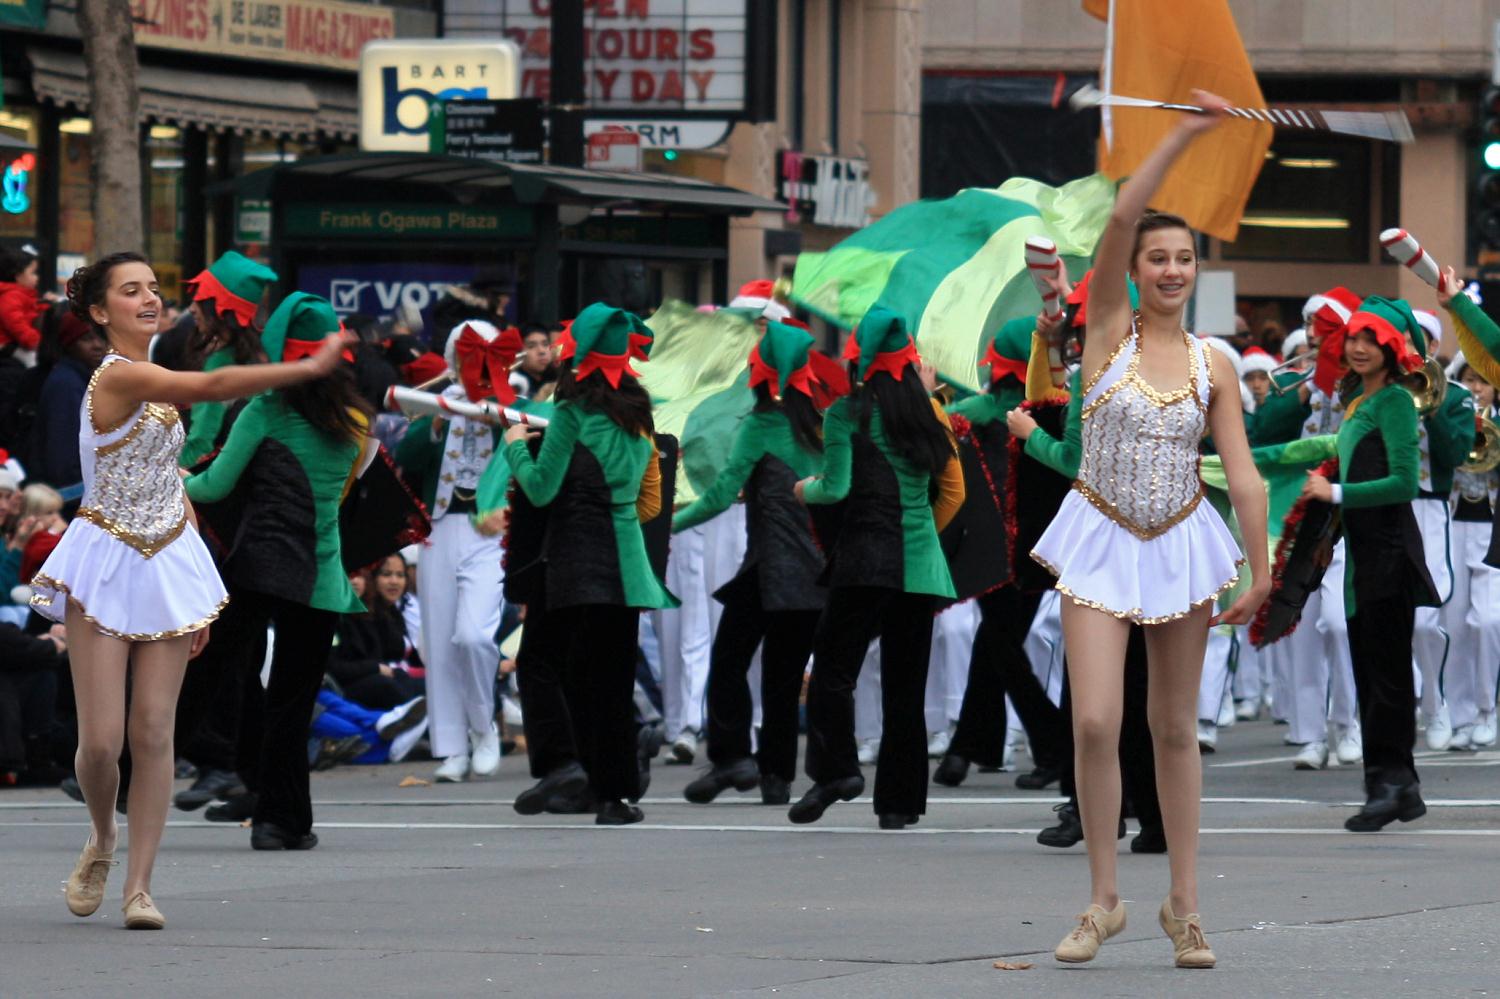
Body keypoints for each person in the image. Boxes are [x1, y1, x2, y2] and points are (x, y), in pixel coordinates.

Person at [28, 252, 347, 930]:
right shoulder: (121, 376)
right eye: (130, 290)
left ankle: (138, 885)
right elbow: (220, 382)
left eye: (153, 288)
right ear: (97, 310)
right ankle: (102, 838)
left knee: (152, 729)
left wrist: (192, 572)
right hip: (104, 558)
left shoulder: (159, 379)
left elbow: (168, 473)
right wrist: (306, 367)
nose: (149, 299)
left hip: (168, 556)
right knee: (101, 742)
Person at [1027, 94, 1269, 969]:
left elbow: (1238, 468)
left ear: (1195, 271)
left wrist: (1262, 567)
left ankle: (1186, 905)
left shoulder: (1215, 362)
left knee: (1174, 728)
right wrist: (1188, 133)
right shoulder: (1102, 337)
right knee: (1094, 720)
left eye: (1182, 258)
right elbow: (1126, 210)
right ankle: (1103, 899)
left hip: (1180, 540)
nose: (1169, 268)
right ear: (1135, 267)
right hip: (1100, 532)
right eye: (1156, 257)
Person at [181, 292, 371, 852]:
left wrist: (164, 488)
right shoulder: (357, 419)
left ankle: (129, 773)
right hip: (321, 576)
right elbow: (345, 495)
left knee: (204, 674)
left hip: (257, 568)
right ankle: (280, 821)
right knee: (292, 701)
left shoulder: (263, 411)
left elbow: (214, 486)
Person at [791, 306, 965, 831]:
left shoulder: (845, 413)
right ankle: (899, 804)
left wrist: (805, 489)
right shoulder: (929, 411)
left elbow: (836, 488)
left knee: (832, 672)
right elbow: (953, 493)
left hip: (865, 562)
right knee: (905, 688)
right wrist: (918, 535)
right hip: (919, 569)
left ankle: (837, 771)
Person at [503, 302, 676, 825]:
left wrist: (515, 446)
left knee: (557, 670)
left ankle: (568, 769)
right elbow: (651, 500)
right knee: (612, 677)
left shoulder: (569, 413)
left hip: (576, 559)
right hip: (627, 561)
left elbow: (539, 487)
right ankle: (613, 798)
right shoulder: (640, 416)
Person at [672, 320, 829, 806]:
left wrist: (663, 526)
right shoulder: (819, 425)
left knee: (727, 662)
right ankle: (775, 777)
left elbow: (719, 496)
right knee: (782, 676)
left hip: (768, 569)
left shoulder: (760, 426)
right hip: (815, 571)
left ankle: (732, 756)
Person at [1300, 297, 1440, 831]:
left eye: (1370, 340)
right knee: (1372, 670)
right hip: (1364, 554)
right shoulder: (1360, 403)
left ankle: (1391, 783)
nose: (1357, 348)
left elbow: (1405, 482)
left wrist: (1334, 494)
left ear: (1391, 348)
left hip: (1388, 555)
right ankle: (1394, 784)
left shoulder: (1399, 403)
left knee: (1385, 674)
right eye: (1353, 338)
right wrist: (1331, 532)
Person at [935, 315, 1065, 791]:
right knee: (999, 645)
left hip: (989, 550)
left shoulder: (973, 410)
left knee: (1000, 645)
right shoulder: (1053, 411)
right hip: (1037, 546)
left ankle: (1048, 747)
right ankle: (973, 746)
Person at [394, 319, 518, 782]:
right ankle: (451, 747)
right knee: (440, 641)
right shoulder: (440, 405)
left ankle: (484, 726)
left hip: (489, 533)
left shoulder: (512, 406)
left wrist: (503, 419)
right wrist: (429, 424)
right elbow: (404, 462)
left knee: (473, 635)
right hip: (440, 529)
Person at [177, 251, 278, 468]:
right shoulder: (261, 357)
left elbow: (200, 444)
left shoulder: (221, 362)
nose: (192, 308)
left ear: (221, 308)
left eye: (201, 298)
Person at [1444, 351, 1499, 747]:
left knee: (1488, 622)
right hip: (1454, 527)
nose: (1477, 387)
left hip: (1493, 533)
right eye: (1469, 379)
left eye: (1483, 380)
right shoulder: (1449, 422)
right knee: (1455, 624)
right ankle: (1460, 717)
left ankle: (1487, 709)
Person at [327, 555, 426, 711]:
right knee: (389, 686)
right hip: (343, 687)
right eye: (386, 574)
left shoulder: (366, 613)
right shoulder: (331, 616)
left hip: (377, 677)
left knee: (417, 683)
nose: (354, 581)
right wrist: (375, 668)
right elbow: (334, 667)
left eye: (358, 574)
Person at [29, 312, 108, 489]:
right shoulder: (67, 384)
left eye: (101, 338)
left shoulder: (85, 378)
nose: (97, 346)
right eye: (86, 339)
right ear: (70, 344)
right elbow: (63, 455)